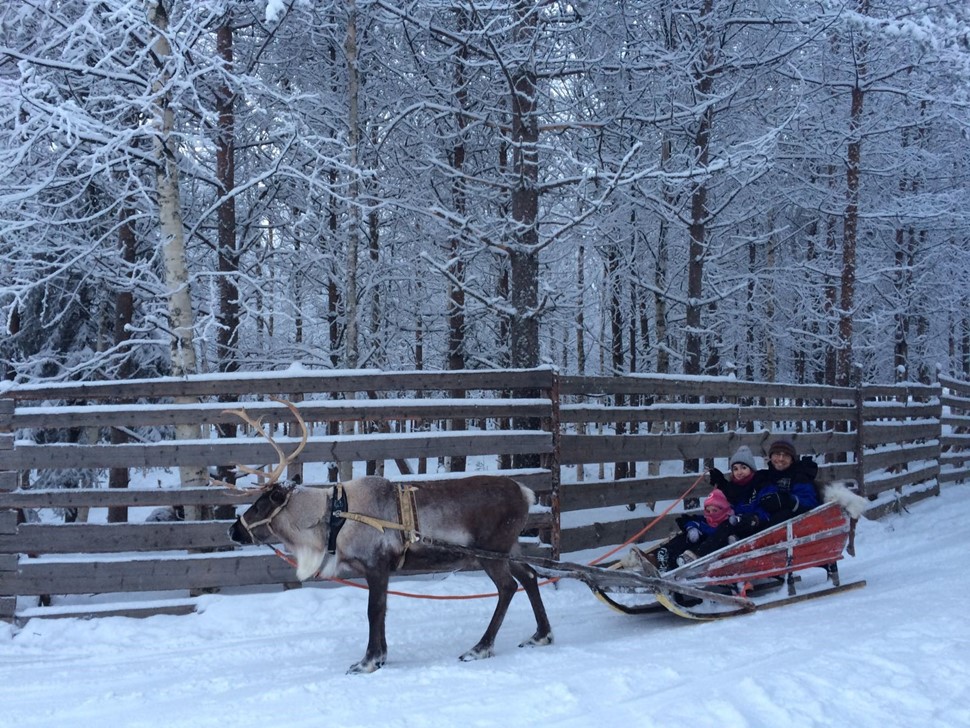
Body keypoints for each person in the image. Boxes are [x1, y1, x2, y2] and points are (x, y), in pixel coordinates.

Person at [686, 438, 820, 562]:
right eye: (776, 454)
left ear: (792, 459)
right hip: (760, 521)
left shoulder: (799, 476)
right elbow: (744, 492)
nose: (780, 458)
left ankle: (704, 557)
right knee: (727, 523)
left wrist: (787, 500)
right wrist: (722, 483)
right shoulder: (766, 475)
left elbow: (810, 504)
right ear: (770, 456)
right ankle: (700, 553)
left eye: (785, 455)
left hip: (788, 527)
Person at [653, 487, 735, 571]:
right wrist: (692, 528)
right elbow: (693, 520)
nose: (711, 514)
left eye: (715, 511)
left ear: (723, 509)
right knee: (686, 537)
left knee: (709, 541)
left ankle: (684, 560)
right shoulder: (705, 520)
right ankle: (666, 553)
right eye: (708, 511)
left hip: (706, 551)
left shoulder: (728, 522)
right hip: (692, 547)